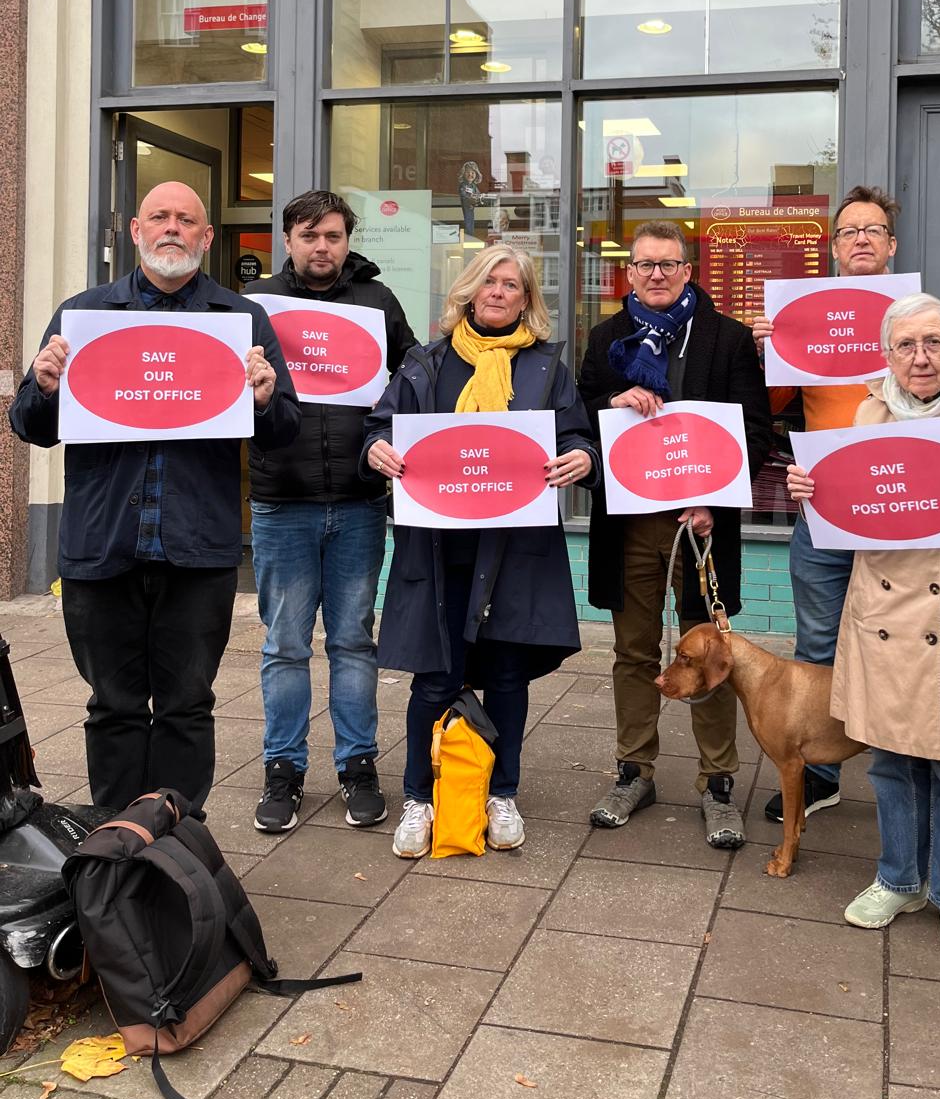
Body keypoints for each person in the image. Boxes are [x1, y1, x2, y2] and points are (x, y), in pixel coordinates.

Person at [8, 181, 300, 812]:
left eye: (187, 220)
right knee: (111, 705)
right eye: (160, 217)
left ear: (206, 237)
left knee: (187, 706)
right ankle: (114, 848)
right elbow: (30, 426)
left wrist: (266, 398)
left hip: (197, 550)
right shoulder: (83, 316)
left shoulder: (241, 320)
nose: (173, 228)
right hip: (102, 545)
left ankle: (176, 845)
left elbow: (283, 434)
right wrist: (44, 385)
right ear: (137, 231)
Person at [788, 291, 940, 965]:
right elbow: (854, 508)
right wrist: (813, 494)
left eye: (932, 344)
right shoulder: (870, 408)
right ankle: (897, 879)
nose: (920, 358)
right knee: (889, 757)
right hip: (884, 608)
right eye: (906, 346)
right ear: (888, 355)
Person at [363, 245, 598, 859]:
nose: (499, 292)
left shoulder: (547, 366)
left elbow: (575, 433)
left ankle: (502, 792)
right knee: (434, 678)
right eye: (490, 281)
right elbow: (381, 425)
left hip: (515, 547)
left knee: (507, 676)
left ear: (527, 300)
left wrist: (582, 456)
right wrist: (378, 448)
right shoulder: (425, 362)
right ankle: (419, 795)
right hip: (440, 550)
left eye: (513, 285)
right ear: (469, 290)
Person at [579, 221, 773, 848]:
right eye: (644, 265)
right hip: (630, 525)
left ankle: (718, 783)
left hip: (703, 526)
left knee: (710, 657)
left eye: (668, 264)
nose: (656, 274)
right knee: (634, 652)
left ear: (688, 271)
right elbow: (576, 418)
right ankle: (634, 771)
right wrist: (612, 403)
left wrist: (715, 500)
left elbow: (756, 431)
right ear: (628, 274)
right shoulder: (607, 339)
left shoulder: (728, 338)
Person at [242, 191, 416, 834]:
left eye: (335, 236)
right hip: (281, 499)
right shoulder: (257, 304)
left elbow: (416, 373)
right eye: (310, 235)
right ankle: (282, 771)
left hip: (359, 501)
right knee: (285, 646)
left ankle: (357, 766)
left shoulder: (378, 302)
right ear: (288, 238)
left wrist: (396, 437)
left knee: (352, 643)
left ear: (348, 240)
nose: (323, 247)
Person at [754, 185, 902, 823]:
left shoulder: (918, 315)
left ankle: (903, 762)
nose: (861, 238)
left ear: (891, 247)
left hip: (902, 506)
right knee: (818, 643)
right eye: (849, 231)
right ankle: (819, 774)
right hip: (825, 507)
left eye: (873, 230)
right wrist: (769, 348)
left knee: (898, 642)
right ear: (835, 247)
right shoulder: (807, 317)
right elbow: (773, 404)